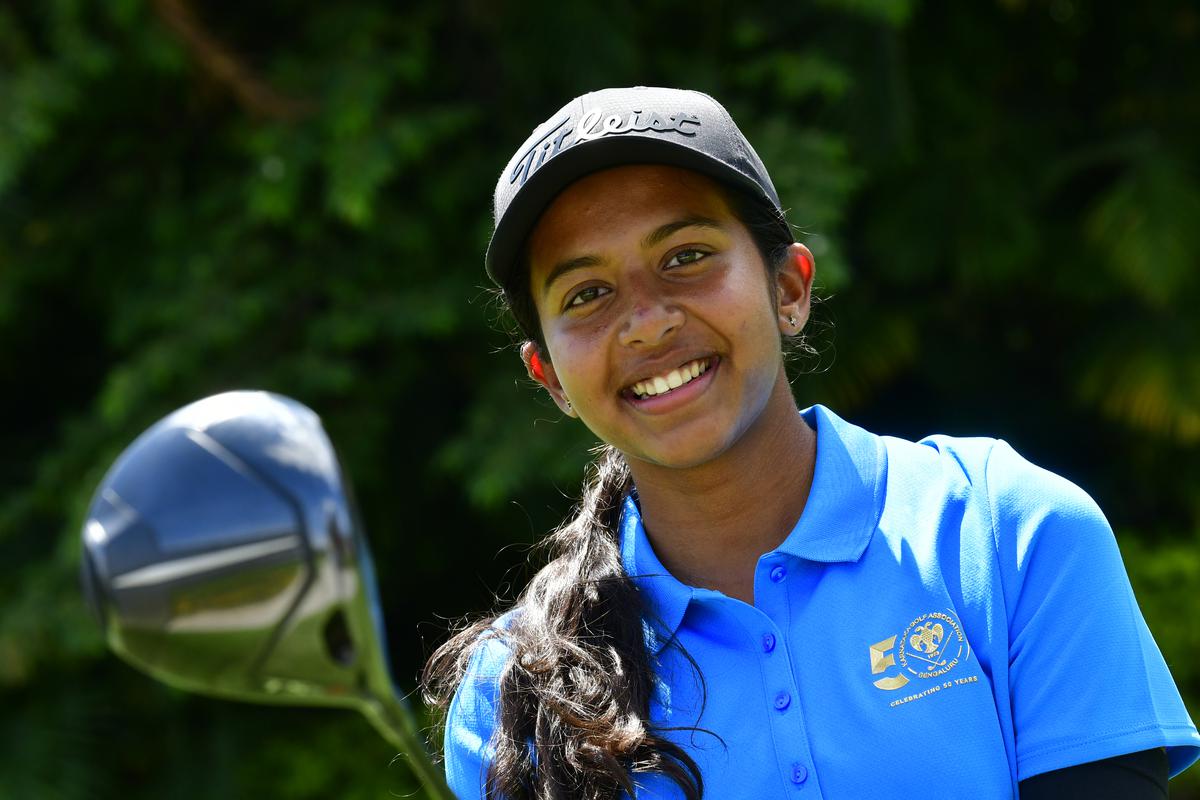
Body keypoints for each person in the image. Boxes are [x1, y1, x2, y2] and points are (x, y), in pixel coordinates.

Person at [423, 86, 1200, 799]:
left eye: (686, 257)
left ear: (788, 288)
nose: (648, 320)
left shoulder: (1007, 530)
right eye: (587, 293)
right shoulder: (516, 690)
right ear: (549, 376)